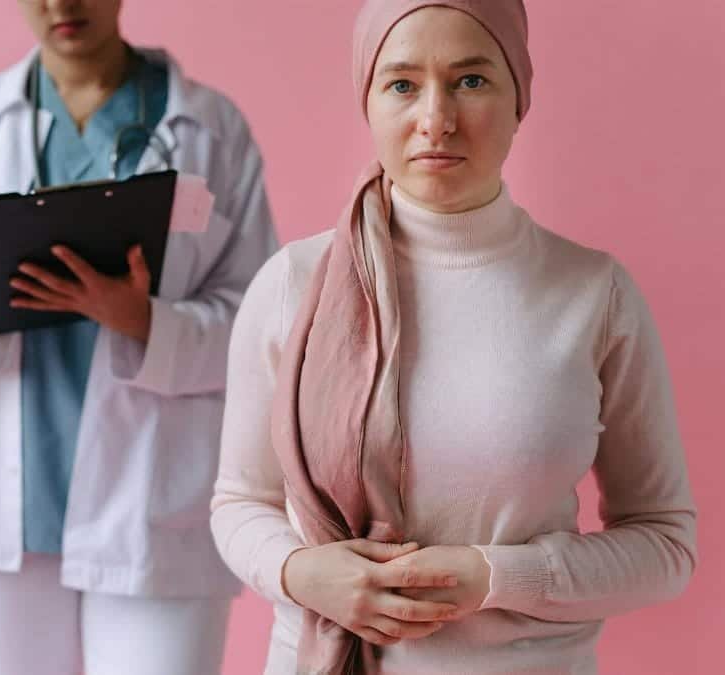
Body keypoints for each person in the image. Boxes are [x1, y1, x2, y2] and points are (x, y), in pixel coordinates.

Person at [210, 1, 698, 673]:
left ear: (519, 96)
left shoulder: (594, 294)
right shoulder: (293, 284)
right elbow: (239, 500)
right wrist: (300, 571)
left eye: (471, 80)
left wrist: (495, 575)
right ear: (369, 99)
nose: (435, 119)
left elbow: (665, 543)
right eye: (403, 84)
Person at [0, 1, 276, 673]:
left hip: (154, 507)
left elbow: (259, 318)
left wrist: (143, 321)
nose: (62, 4)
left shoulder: (211, 126)